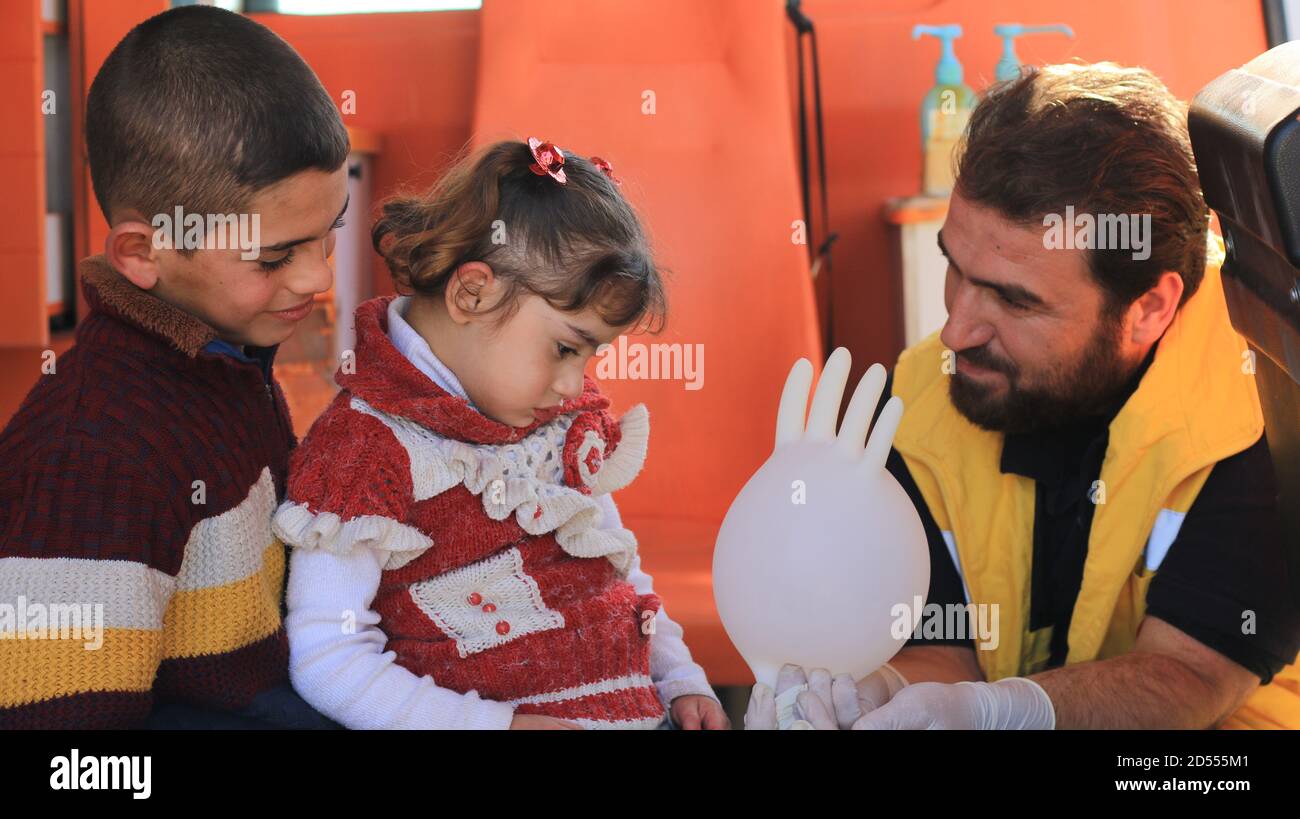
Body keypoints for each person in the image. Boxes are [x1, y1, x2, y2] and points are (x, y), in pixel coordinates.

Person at [749, 63, 1300, 730]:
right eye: (955, 266)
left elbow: (1187, 678)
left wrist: (999, 711)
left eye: (1014, 298)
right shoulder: (923, 401)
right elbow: (941, 651)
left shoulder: (1263, 412)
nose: (955, 329)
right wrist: (877, 694)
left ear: (1150, 306)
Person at [274, 137, 727, 729]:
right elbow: (328, 658)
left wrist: (681, 682)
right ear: (473, 292)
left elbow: (617, 574)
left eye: (589, 357)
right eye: (565, 348)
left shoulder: (558, 425)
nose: (574, 384)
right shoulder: (362, 454)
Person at [0, 6, 351, 728]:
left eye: (330, 233)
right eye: (276, 255)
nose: (317, 277)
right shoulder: (92, 451)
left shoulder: (223, 360)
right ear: (142, 253)